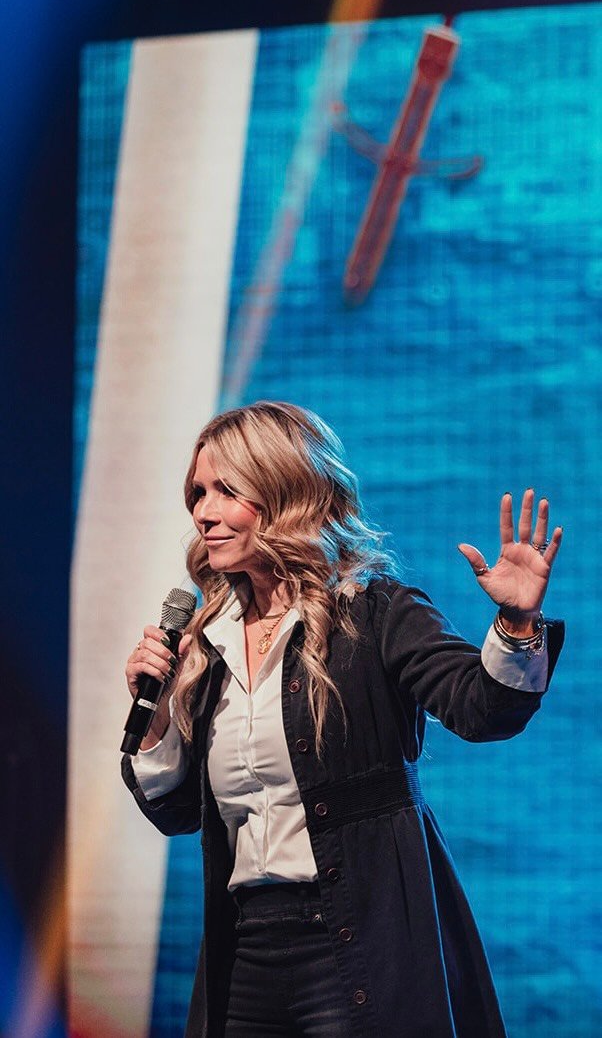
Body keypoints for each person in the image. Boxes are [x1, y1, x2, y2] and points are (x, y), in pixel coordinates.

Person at [121, 400, 563, 1038]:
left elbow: (482, 710)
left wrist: (518, 623)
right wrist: (158, 716)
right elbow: (177, 813)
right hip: (244, 951)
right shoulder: (206, 643)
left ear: (283, 493)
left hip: (359, 943)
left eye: (226, 492)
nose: (203, 513)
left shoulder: (373, 613)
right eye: (198, 493)